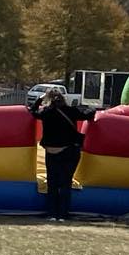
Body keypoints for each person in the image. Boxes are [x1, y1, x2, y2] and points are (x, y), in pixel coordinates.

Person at [30, 86, 95, 220]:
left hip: (51, 152)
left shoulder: (46, 112)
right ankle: (63, 214)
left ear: (48, 100)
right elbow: (88, 114)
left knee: (52, 184)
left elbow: (32, 111)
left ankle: (52, 214)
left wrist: (39, 100)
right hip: (69, 151)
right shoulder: (71, 111)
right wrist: (92, 107)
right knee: (65, 183)